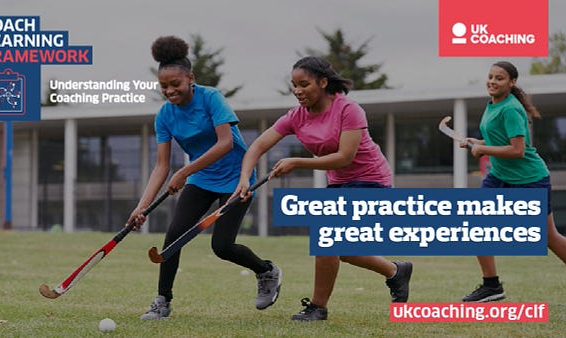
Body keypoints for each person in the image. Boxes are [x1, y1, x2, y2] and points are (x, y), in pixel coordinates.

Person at [233, 56, 412, 321]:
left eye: (304, 84)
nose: (298, 91)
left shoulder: (348, 110)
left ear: (323, 82)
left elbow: (345, 157)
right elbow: (257, 147)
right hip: (339, 183)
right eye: (294, 85)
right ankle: (396, 272)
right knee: (346, 251)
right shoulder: (296, 116)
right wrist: (245, 179)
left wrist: (297, 162)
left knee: (328, 240)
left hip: (371, 180)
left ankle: (318, 307)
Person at [128, 36, 281, 320]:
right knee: (174, 236)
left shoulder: (210, 98)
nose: (170, 91)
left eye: (176, 84)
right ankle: (163, 300)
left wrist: (185, 171)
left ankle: (266, 271)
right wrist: (142, 207)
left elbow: (225, 143)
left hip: (238, 178)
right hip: (201, 180)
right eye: (164, 86)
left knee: (222, 247)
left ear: (191, 79)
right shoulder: (164, 115)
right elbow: (161, 166)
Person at [459, 61, 566, 302]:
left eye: (499, 78)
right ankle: (491, 286)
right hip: (499, 177)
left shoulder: (510, 108)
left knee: (549, 238)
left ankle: (492, 286)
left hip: (529, 179)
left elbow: (518, 150)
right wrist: (477, 141)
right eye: (490, 77)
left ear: (512, 82)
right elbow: (497, 138)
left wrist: (482, 150)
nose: (493, 82)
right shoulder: (493, 104)